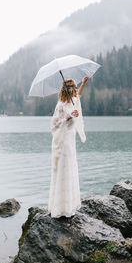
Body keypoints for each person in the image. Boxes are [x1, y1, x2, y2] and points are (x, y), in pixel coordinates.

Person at [48, 76, 89, 218]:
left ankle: (70, 204)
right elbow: (54, 124)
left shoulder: (73, 100)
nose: (76, 90)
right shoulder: (61, 105)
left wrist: (83, 83)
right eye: (75, 88)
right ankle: (61, 208)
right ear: (69, 90)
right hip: (63, 141)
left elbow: (79, 96)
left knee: (71, 168)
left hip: (71, 140)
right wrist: (69, 117)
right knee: (63, 170)